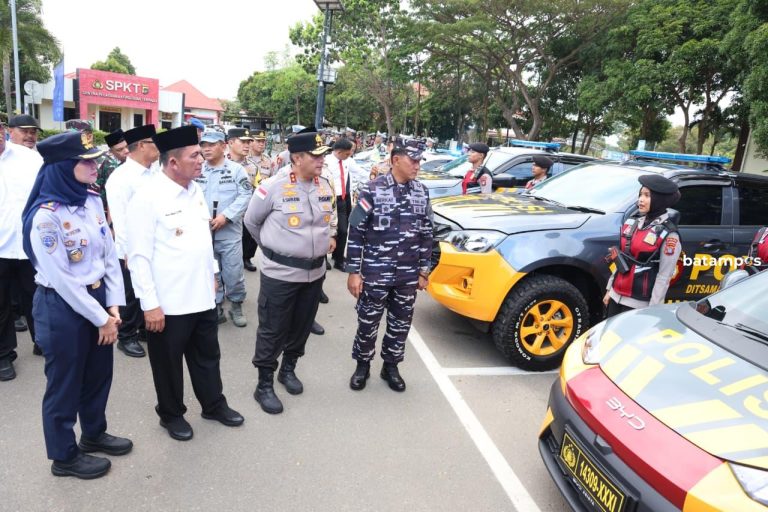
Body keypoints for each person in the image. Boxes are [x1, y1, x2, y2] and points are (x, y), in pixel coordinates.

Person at [21, 131, 131, 479]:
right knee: (65, 383)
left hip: (97, 300)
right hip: (62, 308)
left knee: (98, 374)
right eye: (86, 161)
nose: (94, 165)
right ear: (64, 167)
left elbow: (108, 254)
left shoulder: (91, 200)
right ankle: (64, 456)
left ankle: (93, 434)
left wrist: (113, 306)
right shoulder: (46, 216)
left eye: (94, 159)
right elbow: (63, 279)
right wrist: (102, 318)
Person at [126, 125, 244, 441]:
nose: (201, 159)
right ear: (173, 162)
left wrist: (214, 276)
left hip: (203, 295)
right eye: (194, 155)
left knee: (207, 355)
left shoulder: (194, 190)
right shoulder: (147, 197)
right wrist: (149, 305)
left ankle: (213, 404)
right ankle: (171, 414)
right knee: (168, 364)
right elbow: (137, 257)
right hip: (169, 303)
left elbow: (202, 241)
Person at [244, 127, 334, 415]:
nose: (321, 161)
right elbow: (251, 222)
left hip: (314, 274)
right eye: (315, 156)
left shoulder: (324, 185)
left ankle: (289, 369)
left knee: (301, 327)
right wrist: (275, 250)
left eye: (323, 155)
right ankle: (264, 383)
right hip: (280, 274)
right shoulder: (273, 186)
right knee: (272, 330)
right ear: (296, 157)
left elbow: (328, 222)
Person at [345, 138, 433, 392]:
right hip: (375, 271)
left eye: (419, 161)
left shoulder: (421, 191)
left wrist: (424, 270)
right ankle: (362, 365)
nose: (417, 165)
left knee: (400, 323)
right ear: (396, 160)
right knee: (368, 321)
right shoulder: (371, 190)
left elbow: (427, 233)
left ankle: (391, 366)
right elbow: (356, 232)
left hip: (407, 275)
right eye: (413, 160)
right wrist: (353, 271)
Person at [105, 124, 160, 358]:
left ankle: (145, 328)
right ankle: (126, 336)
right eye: (153, 142)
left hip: (156, 244)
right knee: (130, 294)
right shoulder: (121, 178)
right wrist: (128, 251)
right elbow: (120, 219)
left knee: (149, 288)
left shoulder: (156, 171)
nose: (158, 146)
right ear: (139, 146)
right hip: (130, 249)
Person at [0, 122, 45, 380]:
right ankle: (4, 354)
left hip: (30, 244)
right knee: (1, 304)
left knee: (36, 297)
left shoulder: (29, 158)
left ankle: (42, 341)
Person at [603, 174, 682, 317]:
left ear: (659, 200)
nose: (641, 199)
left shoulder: (669, 235)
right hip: (615, 297)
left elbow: (664, 277)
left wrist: (652, 311)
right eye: (640, 194)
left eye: (647, 195)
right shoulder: (632, 223)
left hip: (638, 306)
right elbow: (620, 258)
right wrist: (610, 290)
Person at [197, 130, 252, 327]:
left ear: (223, 146)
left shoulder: (237, 170)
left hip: (229, 233)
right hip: (203, 233)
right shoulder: (198, 169)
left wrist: (226, 216)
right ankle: (216, 304)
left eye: (211, 144)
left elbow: (245, 195)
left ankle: (236, 304)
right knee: (212, 272)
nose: (206, 149)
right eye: (203, 145)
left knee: (233, 272)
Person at [326, 138, 364, 271]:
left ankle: (338, 258)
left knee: (343, 230)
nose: (349, 156)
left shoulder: (348, 160)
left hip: (343, 199)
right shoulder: (326, 162)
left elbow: (359, 172)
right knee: (326, 229)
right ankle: (322, 258)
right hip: (329, 199)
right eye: (347, 154)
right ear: (339, 151)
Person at [227, 128, 259, 272]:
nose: (247, 145)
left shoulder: (252, 167)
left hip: (245, 212)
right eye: (243, 142)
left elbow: (257, 189)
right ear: (231, 143)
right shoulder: (220, 162)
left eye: (248, 142)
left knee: (247, 239)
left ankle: (246, 258)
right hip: (225, 213)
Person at [94, 129, 129, 217]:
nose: (126, 151)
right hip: (104, 212)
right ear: (111, 151)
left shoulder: (104, 156)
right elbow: (114, 198)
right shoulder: (112, 165)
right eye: (120, 150)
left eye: (127, 146)